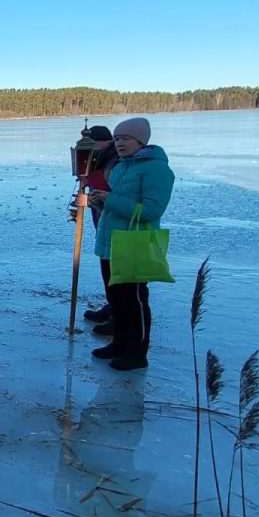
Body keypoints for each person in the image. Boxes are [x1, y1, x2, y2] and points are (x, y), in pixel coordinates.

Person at [89, 117, 175, 372]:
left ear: (141, 140)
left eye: (125, 138)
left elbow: (151, 210)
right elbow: (116, 203)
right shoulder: (123, 166)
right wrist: (99, 201)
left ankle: (137, 352)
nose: (119, 143)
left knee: (134, 301)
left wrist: (111, 199)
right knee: (116, 299)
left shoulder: (156, 169)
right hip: (111, 243)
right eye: (116, 139)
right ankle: (119, 343)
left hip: (134, 244)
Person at [81, 125, 119, 332]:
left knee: (116, 270)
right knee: (107, 267)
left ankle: (119, 315)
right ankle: (112, 306)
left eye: (94, 143)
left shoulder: (115, 161)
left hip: (118, 225)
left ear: (106, 142)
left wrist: (92, 196)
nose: (91, 147)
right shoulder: (101, 159)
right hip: (103, 222)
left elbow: (112, 193)